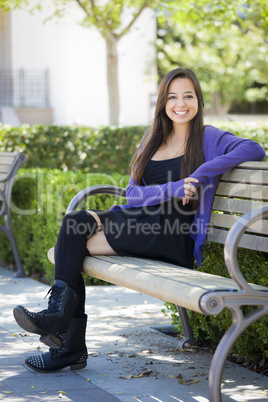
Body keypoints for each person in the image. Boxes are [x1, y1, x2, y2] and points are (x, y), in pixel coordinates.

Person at [13, 68, 266, 373]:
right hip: (141, 221)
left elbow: (254, 148)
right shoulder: (153, 139)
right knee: (74, 226)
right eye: (173, 97)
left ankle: (65, 338)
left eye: (188, 96)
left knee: (72, 244)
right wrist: (175, 186)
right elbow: (133, 195)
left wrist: (200, 174)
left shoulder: (209, 137)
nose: (181, 103)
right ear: (163, 102)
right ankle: (64, 333)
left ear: (198, 100)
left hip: (172, 233)